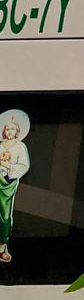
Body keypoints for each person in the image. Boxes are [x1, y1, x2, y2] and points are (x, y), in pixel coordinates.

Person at [0, 109, 31, 264]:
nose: (9, 131)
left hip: (7, 184)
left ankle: (1, 248)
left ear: (17, 130)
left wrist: (8, 168)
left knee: (5, 217)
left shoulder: (20, 147)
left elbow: (24, 166)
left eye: (12, 128)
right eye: (7, 128)